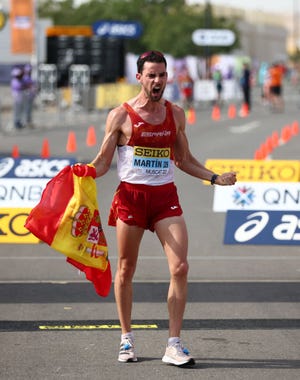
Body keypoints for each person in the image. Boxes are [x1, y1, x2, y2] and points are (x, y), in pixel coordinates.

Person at [80, 51, 236, 366]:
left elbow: (183, 160)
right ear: (139, 77)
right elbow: (102, 163)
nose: (157, 81)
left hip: (165, 198)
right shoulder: (121, 116)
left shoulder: (176, 114)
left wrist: (214, 177)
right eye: (151, 75)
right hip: (132, 199)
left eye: (162, 75)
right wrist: (81, 171)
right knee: (125, 268)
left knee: (180, 267)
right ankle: (126, 339)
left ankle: (173, 344)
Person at [23, 64, 37, 128]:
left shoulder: (30, 77)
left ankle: (29, 121)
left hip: (30, 95)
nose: (29, 71)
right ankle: (26, 122)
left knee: (29, 109)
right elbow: (25, 86)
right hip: (27, 95)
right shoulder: (25, 77)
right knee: (27, 109)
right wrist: (31, 86)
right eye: (28, 70)